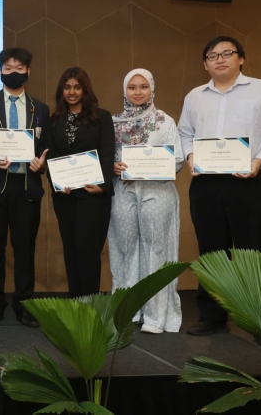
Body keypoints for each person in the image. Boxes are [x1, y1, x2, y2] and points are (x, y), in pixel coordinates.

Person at [178, 36, 261, 337]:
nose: (219, 59)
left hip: (252, 184)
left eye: (227, 53)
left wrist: (259, 159)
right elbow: (184, 134)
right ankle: (212, 316)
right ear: (205, 64)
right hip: (206, 185)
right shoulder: (194, 96)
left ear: (240, 58)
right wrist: (190, 156)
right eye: (212, 55)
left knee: (255, 252)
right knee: (211, 252)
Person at [0, 48, 50, 329]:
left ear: (28, 71)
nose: (13, 72)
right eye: (8, 68)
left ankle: (25, 306)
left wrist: (41, 163)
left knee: (25, 251)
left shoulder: (40, 109)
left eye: (19, 68)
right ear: (0, 71)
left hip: (26, 189)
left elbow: (44, 148)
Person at [109, 69, 183, 334]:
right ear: (124, 90)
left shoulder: (165, 121)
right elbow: (106, 157)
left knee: (156, 250)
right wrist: (112, 166)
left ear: (152, 88)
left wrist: (150, 168)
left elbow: (177, 159)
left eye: (143, 86)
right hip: (123, 191)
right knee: (125, 248)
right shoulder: (113, 122)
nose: (138, 92)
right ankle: (128, 310)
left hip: (157, 191)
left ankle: (155, 316)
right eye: (132, 87)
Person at [47, 67, 114, 298]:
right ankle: (76, 303)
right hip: (65, 198)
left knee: (88, 252)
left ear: (85, 90)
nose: (72, 92)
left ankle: (90, 305)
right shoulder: (53, 121)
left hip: (93, 196)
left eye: (77, 87)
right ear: (62, 90)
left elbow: (107, 154)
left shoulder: (101, 117)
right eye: (67, 87)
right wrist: (57, 185)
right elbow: (51, 157)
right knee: (71, 251)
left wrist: (103, 185)